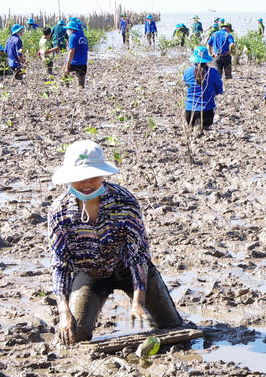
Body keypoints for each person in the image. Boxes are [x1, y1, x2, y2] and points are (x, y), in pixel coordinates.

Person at [48, 140, 183, 343]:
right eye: (79, 178)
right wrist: (63, 310)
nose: (86, 184)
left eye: (93, 176)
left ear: (102, 174)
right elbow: (60, 264)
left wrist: (138, 299)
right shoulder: (59, 211)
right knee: (73, 335)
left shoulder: (124, 202)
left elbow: (138, 254)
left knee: (172, 327)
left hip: (127, 269)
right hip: (90, 274)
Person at [183, 46, 225, 134]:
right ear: (206, 59)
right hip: (207, 112)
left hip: (189, 111)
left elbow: (188, 86)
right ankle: (200, 126)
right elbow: (219, 89)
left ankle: (194, 125)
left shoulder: (187, 72)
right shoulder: (212, 72)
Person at [63, 20, 89, 86]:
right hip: (83, 63)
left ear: (72, 29)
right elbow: (85, 50)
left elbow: (71, 52)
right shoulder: (84, 37)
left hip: (73, 62)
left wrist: (67, 65)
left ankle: (66, 87)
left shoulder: (72, 37)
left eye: (68, 29)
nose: (67, 31)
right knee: (81, 83)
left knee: (64, 72)